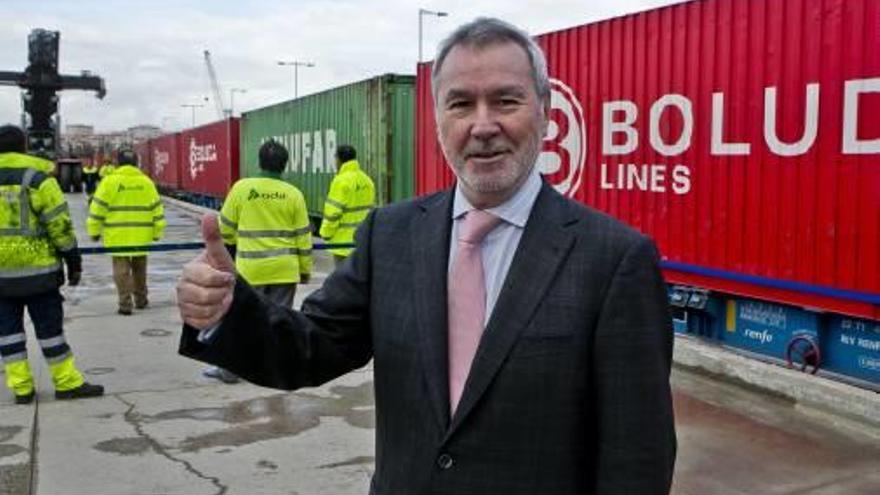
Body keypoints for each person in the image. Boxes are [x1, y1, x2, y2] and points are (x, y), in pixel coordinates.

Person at [177, 17, 676, 494]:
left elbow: (637, 457)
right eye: (460, 104)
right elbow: (309, 349)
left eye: (506, 100)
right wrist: (226, 313)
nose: (483, 125)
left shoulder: (615, 260)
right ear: (438, 118)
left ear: (544, 109)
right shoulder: (390, 236)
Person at [0, 124, 104, 404]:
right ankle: (66, 383)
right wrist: (74, 260)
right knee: (50, 331)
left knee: (7, 334)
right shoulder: (38, 178)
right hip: (40, 274)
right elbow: (59, 224)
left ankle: (21, 389)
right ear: (24, 146)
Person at [203, 139, 312, 384]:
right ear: (285, 164)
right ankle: (273, 370)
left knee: (240, 319)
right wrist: (304, 270)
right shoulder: (294, 194)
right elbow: (303, 237)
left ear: (259, 161)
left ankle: (230, 371)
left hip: (251, 270)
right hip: (284, 269)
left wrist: (235, 239)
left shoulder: (242, 188)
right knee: (278, 323)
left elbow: (226, 228)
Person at [87, 149, 165, 316]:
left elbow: (97, 208)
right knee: (140, 269)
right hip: (141, 236)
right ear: (137, 163)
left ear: (118, 163)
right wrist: (157, 232)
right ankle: (141, 300)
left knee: (121, 271)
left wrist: (94, 231)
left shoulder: (108, 182)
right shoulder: (146, 182)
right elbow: (157, 209)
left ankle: (125, 304)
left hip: (118, 236)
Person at [319, 144, 375, 266]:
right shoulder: (367, 180)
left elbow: (332, 213)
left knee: (343, 282)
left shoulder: (340, 181)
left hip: (343, 244)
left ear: (339, 159)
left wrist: (325, 233)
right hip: (363, 241)